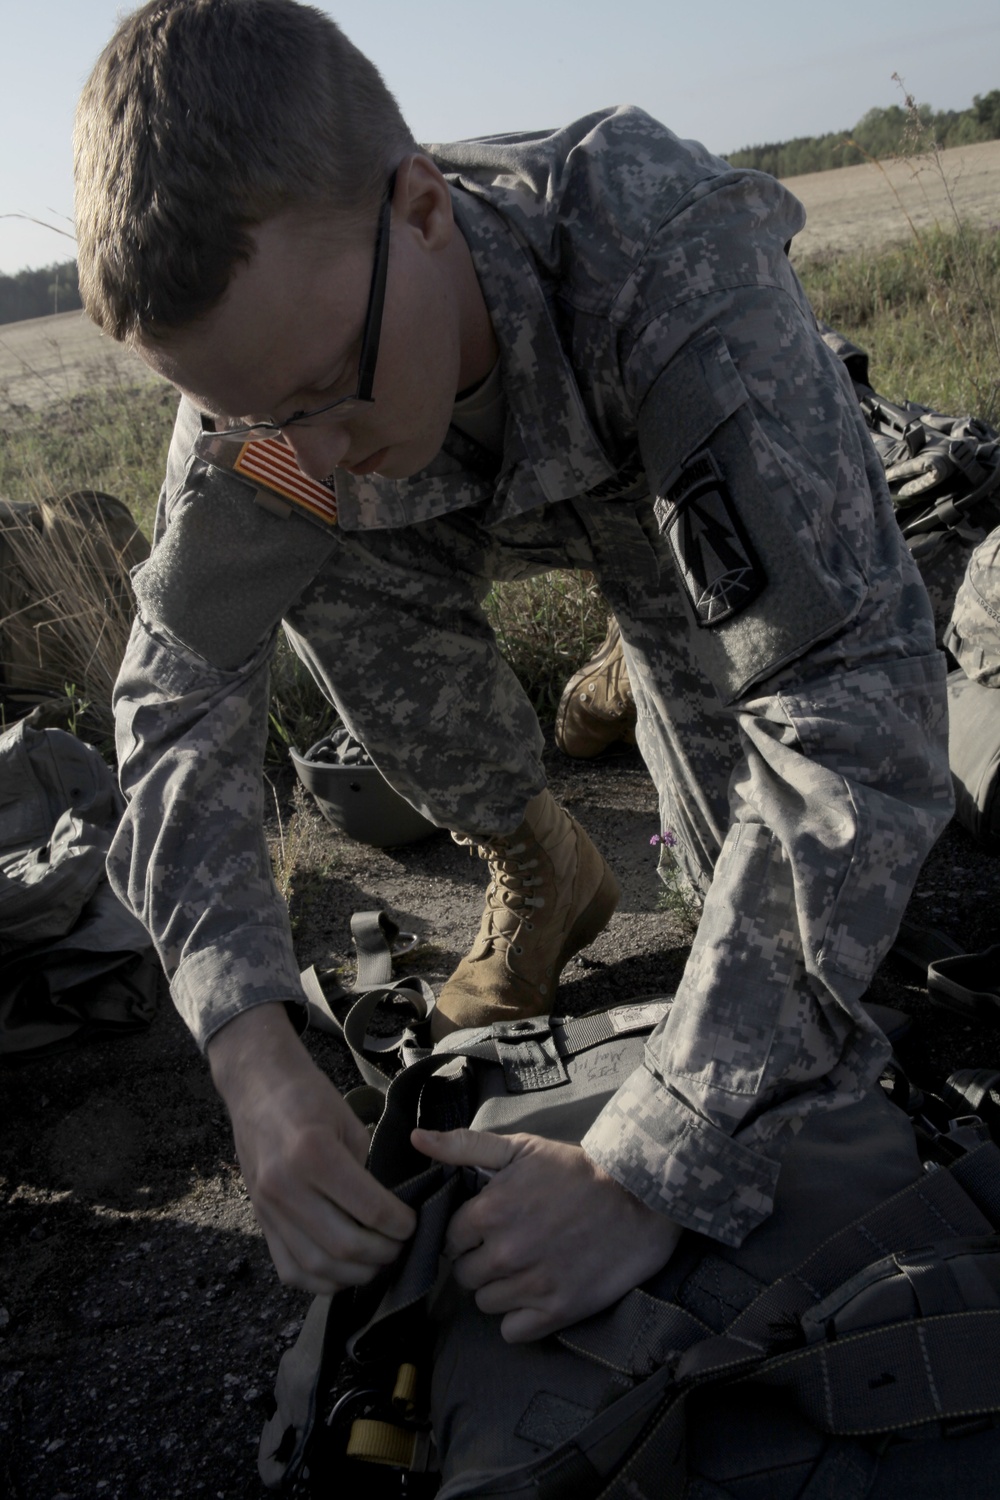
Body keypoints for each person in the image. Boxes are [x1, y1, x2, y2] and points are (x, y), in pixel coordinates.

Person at [74, 0, 953, 1347]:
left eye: (320, 390)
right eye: (255, 420)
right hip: (428, 528)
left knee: (768, 893)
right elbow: (181, 691)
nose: (299, 456)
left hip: (667, 487)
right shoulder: (278, 419)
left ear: (424, 208)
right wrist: (247, 1043)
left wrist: (655, 1153)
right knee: (323, 569)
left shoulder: (658, 255)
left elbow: (852, 714)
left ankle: (639, 667)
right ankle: (547, 862)